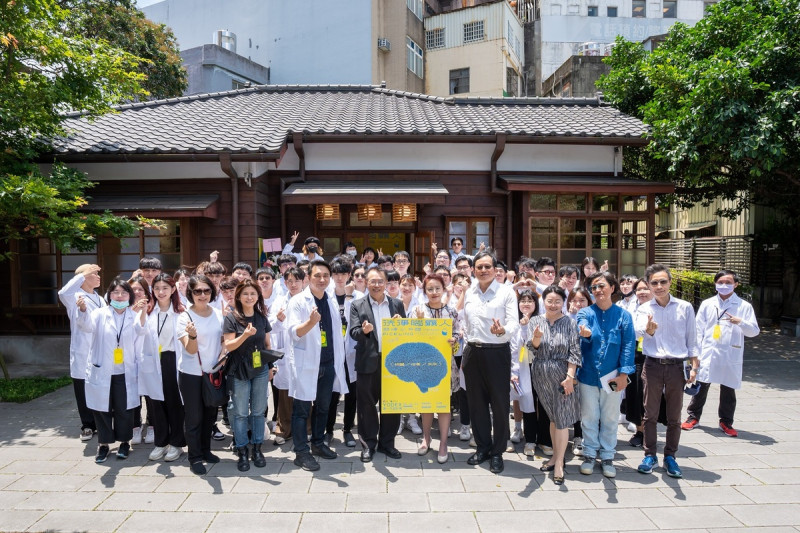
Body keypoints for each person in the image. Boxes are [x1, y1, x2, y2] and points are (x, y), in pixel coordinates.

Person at [634, 264, 699, 478]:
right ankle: (649, 454)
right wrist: (647, 330)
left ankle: (670, 456)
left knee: (674, 416)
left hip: (676, 366)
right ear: (649, 285)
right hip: (652, 365)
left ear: (670, 282)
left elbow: (692, 339)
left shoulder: (685, 307)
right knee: (649, 413)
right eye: (654, 283)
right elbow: (635, 334)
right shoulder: (645, 309)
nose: (659, 286)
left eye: (663, 281)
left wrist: (694, 366)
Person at [285, 260, 348, 471]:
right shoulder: (298, 302)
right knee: (302, 410)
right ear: (308, 278)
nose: (322, 280)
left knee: (323, 407)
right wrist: (311, 323)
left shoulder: (329, 300)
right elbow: (294, 332)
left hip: (328, 363)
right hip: (307, 363)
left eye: (325, 276)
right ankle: (301, 453)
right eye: (317, 276)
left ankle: (318, 444)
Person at [76, 278, 147, 463]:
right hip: (102, 370)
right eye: (115, 292)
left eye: (124, 292)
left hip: (124, 371)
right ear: (109, 295)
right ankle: (104, 444)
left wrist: (142, 311)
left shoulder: (133, 315)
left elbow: (141, 333)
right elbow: (85, 326)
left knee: (124, 409)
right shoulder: (99, 314)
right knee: (102, 409)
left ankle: (124, 442)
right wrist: (83, 310)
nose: (120, 296)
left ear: (129, 296)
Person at [461, 251, 519, 474]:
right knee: (476, 404)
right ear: (473, 270)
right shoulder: (470, 292)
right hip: (473, 352)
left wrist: (503, 330)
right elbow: (466, 323)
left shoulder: (506, 293)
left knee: (499, 404)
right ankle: (483, 447)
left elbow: (513, 323)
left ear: (496, 270)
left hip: (497, 352)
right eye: (479, 267)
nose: (483, 270)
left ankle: (497, 451)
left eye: (487, 267)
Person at [683, 270, 759, 437]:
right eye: (721, 282)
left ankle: (726, 421)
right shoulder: (708, 304)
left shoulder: (743, 306)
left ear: (736, 284)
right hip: (708, 351)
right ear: (715, 284)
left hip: (730, 353)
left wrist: (741, 322)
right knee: (701, 385)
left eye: (728, 282)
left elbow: (754, 331)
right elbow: (698, 329)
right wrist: (696, 354)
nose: (724, 286)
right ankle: (693, 417)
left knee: (728, 388)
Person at [576, 272, 636, 479]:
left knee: (610, 417)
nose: (598, 291)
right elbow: (581, 326)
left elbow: (629, 345)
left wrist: (624, 374)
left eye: (602, 286)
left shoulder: (623, 315)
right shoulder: (585, 312)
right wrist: (584, 332)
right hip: (587, 375)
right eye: (593, 288)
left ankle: (608, 455)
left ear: (612, 287)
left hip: (613, 376)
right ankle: (590, 454)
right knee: (589, 416)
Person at [349, 267, 406, 462]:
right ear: (365, 282)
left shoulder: (397, 304)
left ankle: (387, 444)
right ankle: (368, 444)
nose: (376, 285)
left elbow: (405, 334)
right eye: (372, 281)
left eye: (380, 281)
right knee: (366, 406)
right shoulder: (357, 304)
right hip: (367, 361)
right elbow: (353, 332)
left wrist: (401, 325)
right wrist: (364, 331)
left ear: (386, 283)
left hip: (392, 361)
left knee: (391, 404)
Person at [528, 285, 582, 485]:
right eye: (549, 301)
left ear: (563, 303)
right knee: (552, 417)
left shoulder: (569, 322)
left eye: (557, 301)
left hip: (562, 374)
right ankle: (554, 457)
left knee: (561, 418)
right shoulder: (535, 320)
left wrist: (570, 377)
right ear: (544, 301)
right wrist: (536, 338)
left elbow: (575, 352)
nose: (553, 305)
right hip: (540, 373)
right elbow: (531, 349)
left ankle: (559, 462)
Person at [223, 279, 274, 471]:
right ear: (238, 296)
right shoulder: (231, 318)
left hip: (260, 368)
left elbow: (267, 345)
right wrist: (244, 335)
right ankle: (242, 449)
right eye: (245, 294)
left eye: (253, 293)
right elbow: (228, 345)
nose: (249, 297)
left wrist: (270, 367)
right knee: (241, 412)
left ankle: (258, 448)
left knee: (259, 411)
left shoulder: (261, 317)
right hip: (239, 370)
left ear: (258, 296)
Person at [177, 275, 225, 476]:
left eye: (206, 291)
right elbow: (189, 349)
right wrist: (193, 335)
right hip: (191, 374)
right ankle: (194, 457)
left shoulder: (218, 314)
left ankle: (206, 450)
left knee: (210, 415)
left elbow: (223, 340)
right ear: (191, 293)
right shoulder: (184, 317)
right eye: (198, 291)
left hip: (213, 372)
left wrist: (221, 360)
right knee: (194, 416)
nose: (202, 295)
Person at [413, 274, 463, 464]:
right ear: (425, 291)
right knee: (426, 403)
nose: (434, 293)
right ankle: (426, 438)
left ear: (444, 289)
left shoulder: (451, 312)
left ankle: (443, 443)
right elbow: (410, 336)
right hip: (424, 363)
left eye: (437, 288)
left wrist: (454, 340)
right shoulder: (418, 310)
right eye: (430, 289)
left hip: (445, 364)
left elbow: (458, 333)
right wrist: (418, 322)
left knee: (443, 403)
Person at [58, 263, 105, 441]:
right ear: (84, 277)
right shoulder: (75, 296)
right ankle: (87, 425)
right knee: (82, 388)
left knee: (98, 386)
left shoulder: (100, 298)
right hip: (83, 350)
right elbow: (62, 293)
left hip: (100, 348)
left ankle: (100, 422)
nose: (99, 276)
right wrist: (83, 273)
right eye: (94, 274)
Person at [142, 273, 186, 463]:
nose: (161, 292)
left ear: (173, 290)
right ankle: (161, 442)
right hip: (153, 361)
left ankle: (176, 443)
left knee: (174, 402)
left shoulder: (181, 312)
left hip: (172, 359)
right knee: (155, 403)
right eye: (157, 288)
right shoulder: (148, 311)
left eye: (165, 288)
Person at [324, 259, 361, 448]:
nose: (339, 278)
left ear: (349, 275)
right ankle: (328, 430)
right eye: (336, 274)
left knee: (352, 394)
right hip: (332, 352)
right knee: (331, 393)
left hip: (352, 352)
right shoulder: (325, 295)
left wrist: (348, 297)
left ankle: (347, 430)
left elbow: (354, 319)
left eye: (343, 274)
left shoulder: (359, 296)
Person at [268, 267, 305, 445]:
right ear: (284, 283)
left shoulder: (309, 300)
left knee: (305, 392)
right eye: (289, 281)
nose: (293, 284)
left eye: (297, 280)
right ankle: (283, 428)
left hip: (304, 353)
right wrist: (279, 319)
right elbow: (271, 328)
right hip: (285, 353)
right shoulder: (279, 302)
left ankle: (307, 429)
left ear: (303, 281)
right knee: (284, 394)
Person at [625, 278, 654, 447]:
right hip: (634, 354)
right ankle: (640, 430)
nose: (642, 292)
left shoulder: (658, 308)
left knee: (651, 395)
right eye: (639, 289)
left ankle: (651, 431)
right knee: (635, 393)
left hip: (654, 355)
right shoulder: (631, 307)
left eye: (645, 288)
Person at [510, 290, 538, 457]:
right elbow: (514, 347)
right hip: (517, 366)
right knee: (517, 396)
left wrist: (527, 326)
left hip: (535, 366)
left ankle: (532, 438)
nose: (526, 304)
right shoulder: (513, 321)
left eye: (530, 300)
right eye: (523, 300)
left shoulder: (540, 320)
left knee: (532, 402)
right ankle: (518, 428)